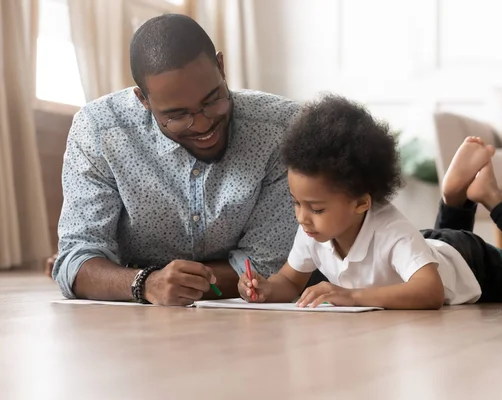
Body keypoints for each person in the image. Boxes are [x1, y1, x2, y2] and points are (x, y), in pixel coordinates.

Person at [52, 14, 310, 305]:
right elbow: (75, 259)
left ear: (221, 67)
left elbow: (268, 267)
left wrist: (172, 284)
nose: (202, 126)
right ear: (144, 101)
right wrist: (146, 283)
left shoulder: (282, 129)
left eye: (213, 101)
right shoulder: (99, 130)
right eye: (177, 116)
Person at [237, 95, 502, 309]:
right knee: (433, 249)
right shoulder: (313, 231)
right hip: (430, 247)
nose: (302, 217)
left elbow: (430, 292)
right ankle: (455, 197)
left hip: (470, 261)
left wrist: (351, 296)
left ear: (361, 203)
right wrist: (266, 289)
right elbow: (290, 281)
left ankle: (489, 197)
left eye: (315, 208)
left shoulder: (389, 230)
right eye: (296, 203)